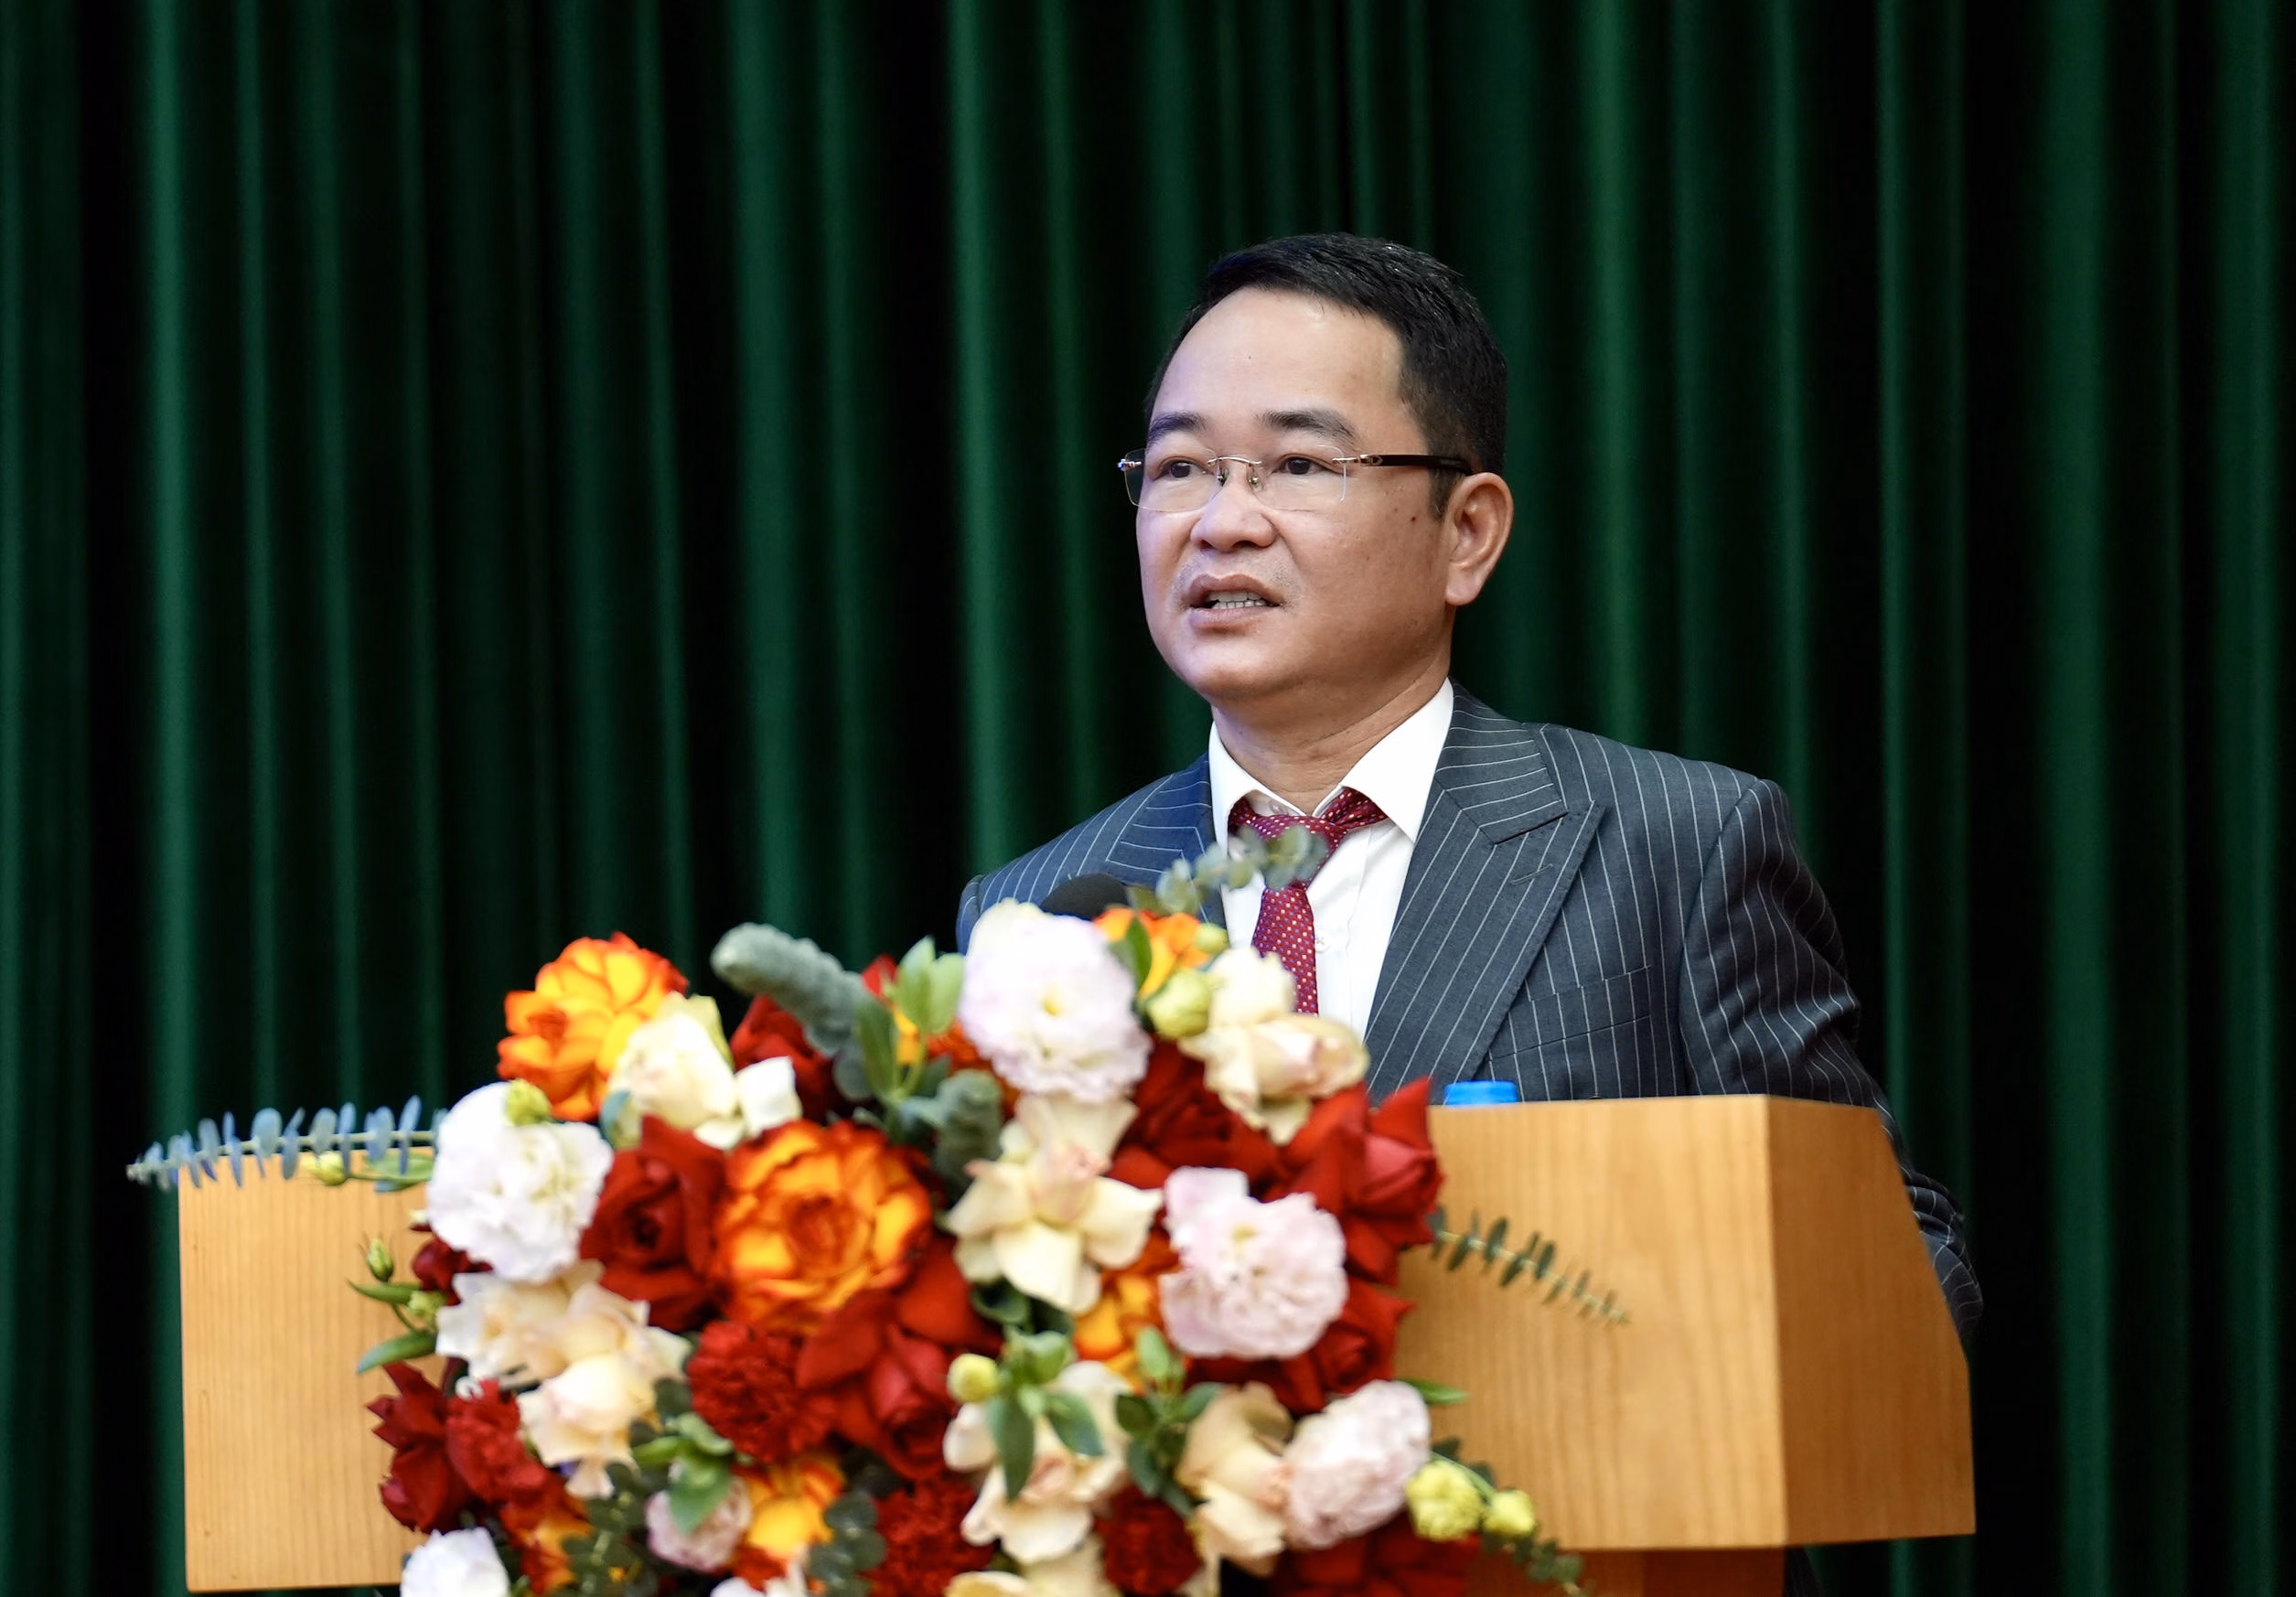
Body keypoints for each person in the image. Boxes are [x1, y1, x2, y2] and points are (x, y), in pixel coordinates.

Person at [954, 234, 1977, 1592]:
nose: (1221, 520)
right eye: (1182, 467)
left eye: (1297, 465)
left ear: (1468, 532)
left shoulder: (1672, 846)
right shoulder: (1035, 915)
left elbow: (1891, 1256)